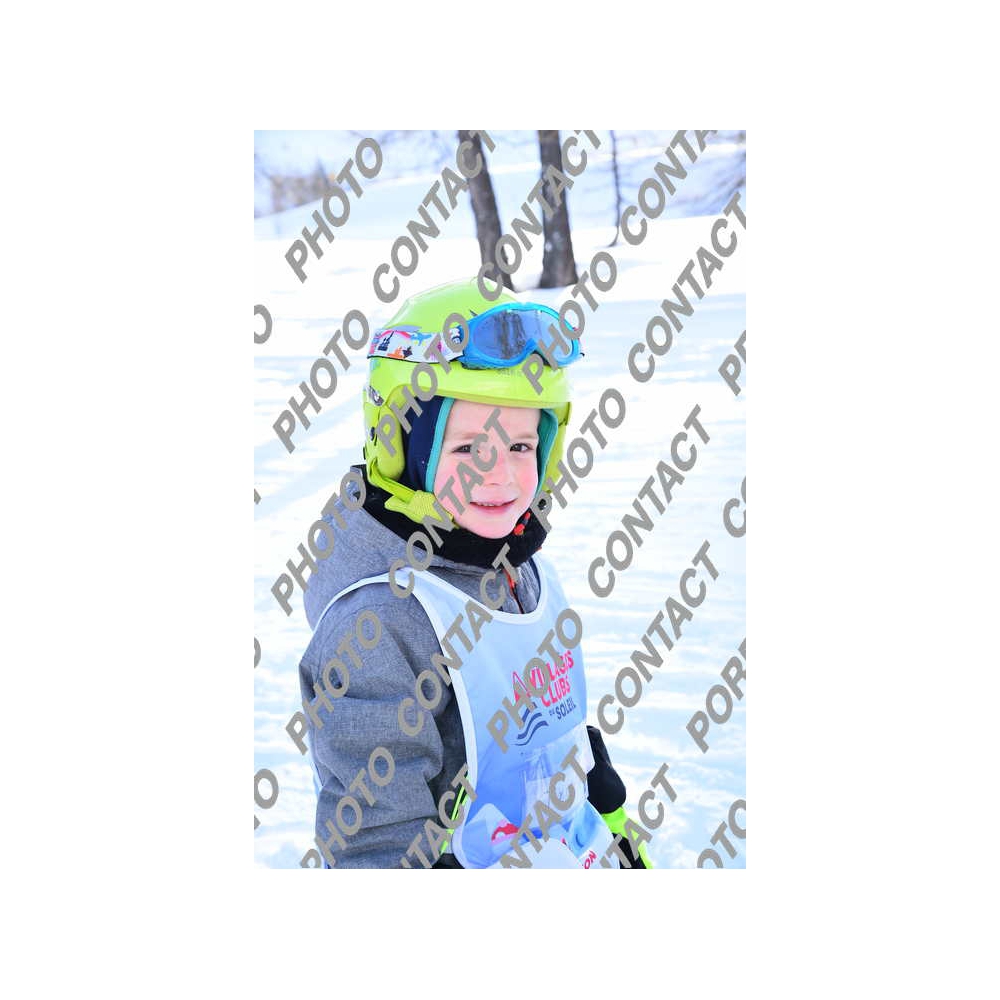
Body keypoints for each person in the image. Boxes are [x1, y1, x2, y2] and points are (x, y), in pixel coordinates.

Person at [298, 278, 651, 869]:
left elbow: (543, 739)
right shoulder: (378, 627)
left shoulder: (523, 572)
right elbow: (375, 844)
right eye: (468, 450)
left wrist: (606, 813)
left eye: (521, 447)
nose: (501, 476)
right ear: (400, 448)